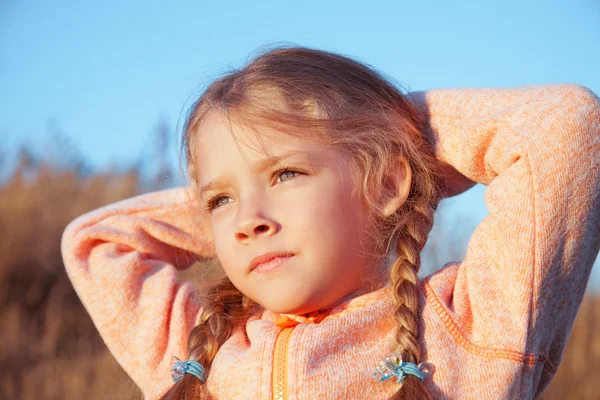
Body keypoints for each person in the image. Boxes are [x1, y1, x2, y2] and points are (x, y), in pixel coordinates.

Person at [60, 46, 600, 400]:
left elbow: (565, 125)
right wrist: (235, 207)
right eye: (220, 200)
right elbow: (99, 243)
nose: (248, 222)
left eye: (287, 172)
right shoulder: (199, 355)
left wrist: (396, 135)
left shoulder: (470, 327)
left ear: (387, 184)